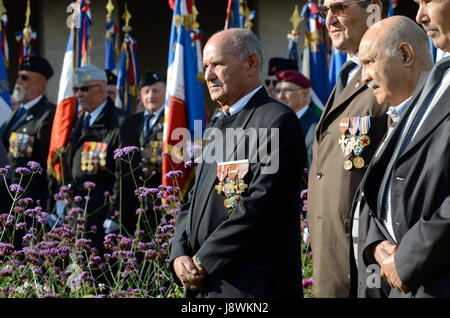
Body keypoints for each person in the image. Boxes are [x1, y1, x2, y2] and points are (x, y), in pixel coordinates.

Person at [170, 28, 306, 298]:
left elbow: (260, 205)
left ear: (251, 64)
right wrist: (179, 255)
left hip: (249, 287)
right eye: (206, 66)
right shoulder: (217, 123)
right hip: (204, 284)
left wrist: (203, 261)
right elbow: (193, 198)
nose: (208, 75)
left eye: (218, 64)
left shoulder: (277, 121)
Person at [359, 2, 450, 298]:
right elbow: (378, 184)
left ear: (405, 55)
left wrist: (408, 258)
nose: (421, 15)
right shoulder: (435, 80)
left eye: (430, 1)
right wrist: (375, 245)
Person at [308, 0, 390, 297]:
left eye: (340, 7)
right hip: (333, 263)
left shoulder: (392, 70)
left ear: (373, 10)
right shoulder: (347, 74)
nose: (329, 19)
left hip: (368, 267)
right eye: (324, 10)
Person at [62, 64, 141, 252]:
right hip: (79, 210)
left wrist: (116, 215)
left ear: (102, 89)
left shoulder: (120, 122)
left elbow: (126, 176)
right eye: (76, 89)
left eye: (85, 88)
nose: (79, 94)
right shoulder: (79, 120)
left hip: (103, 212)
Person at [0, 55, 55, 207]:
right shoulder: (16, 112)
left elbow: (48, 164)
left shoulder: (48, 114)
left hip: (28, 199)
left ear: (41, 85)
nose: (18, 81)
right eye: (18, 76)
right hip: (7, 194)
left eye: (24, 78)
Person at [275, 70, 319, 168]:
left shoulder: (316, 126)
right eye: (278, 91)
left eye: (287, 90)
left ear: (305, 93)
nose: (280, 96)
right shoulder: (276, 124)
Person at [133, 71, 166, 188]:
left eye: (156, 91)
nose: (151, 96)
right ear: (140, 96)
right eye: (146, 92)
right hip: (136, 188)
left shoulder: (172, 121)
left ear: (166, 93)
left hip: (161, 189)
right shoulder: (132, 121)